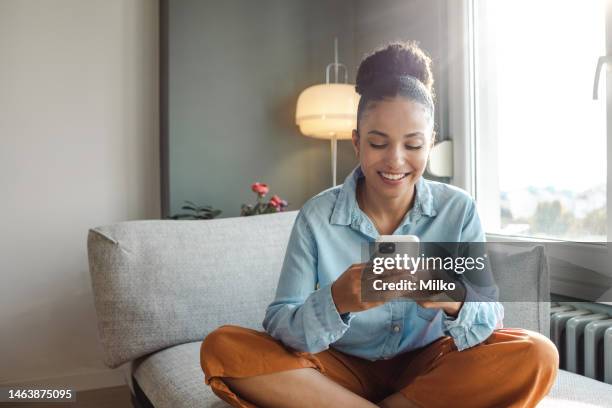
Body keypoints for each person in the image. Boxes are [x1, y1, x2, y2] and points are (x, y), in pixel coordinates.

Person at [200, 42, 559, 408]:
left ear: (430, 143)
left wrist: (452, 297)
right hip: (338, 370)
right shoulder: (317, 216)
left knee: (537, 353)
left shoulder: (459, 210)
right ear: (357, 142)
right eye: (378, 142)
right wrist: (337, 299)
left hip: (429, 369)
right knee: (223, 347)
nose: (395, 160)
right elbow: (280, 323)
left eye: (413, 145)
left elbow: (490, 318)